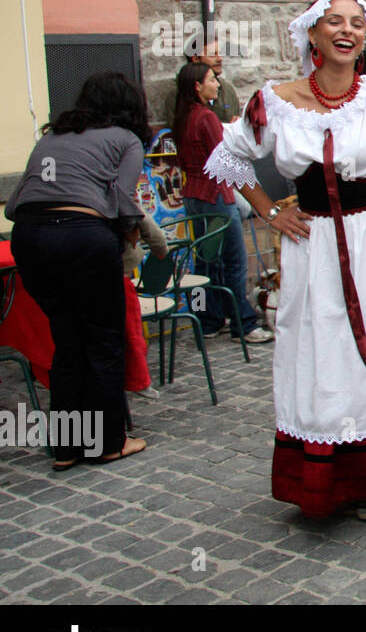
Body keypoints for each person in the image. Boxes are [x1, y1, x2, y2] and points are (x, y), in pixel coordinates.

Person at [204, 0, 366, 521]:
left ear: (365, 36)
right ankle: (329, 473)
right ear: (314, 35)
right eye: (335, 22)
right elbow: (228, 157)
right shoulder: (274, 100)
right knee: (321, 347)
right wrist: (270, 211)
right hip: (314, 241)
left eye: (356, 23)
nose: (347, 30)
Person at [6, 72, 153, 469]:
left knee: (67, 341)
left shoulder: (50, 138)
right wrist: (129, 238)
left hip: (30, 237)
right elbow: (123, 201)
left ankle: (68, 448)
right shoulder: (126, 140)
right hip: (83, 237)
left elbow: (12, 206)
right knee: (104, 341)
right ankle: (109, 443)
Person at [173, 62, 274, 344]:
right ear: (197, 85)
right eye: (212, 79)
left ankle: (207, 319)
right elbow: (224, 160)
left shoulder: (182, 117)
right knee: (233, 262)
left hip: (194, 195)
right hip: (215, 195)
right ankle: (243, 324)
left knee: (206, 264)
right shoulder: (204, 117)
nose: (217, 84)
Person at [158, 33, 241, 125]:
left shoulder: (227, 90)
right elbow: (179, 132)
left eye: (220, 53)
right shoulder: (178, 95)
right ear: (196, 59)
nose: (220, 59)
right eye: (213, 55)